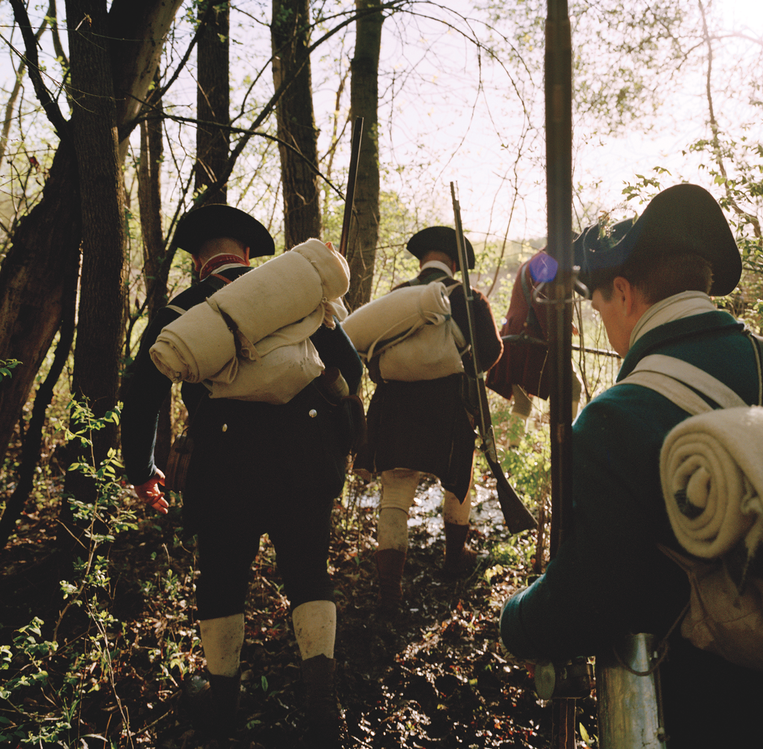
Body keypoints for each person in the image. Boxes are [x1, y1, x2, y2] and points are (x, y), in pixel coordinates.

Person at [498, 184, 763, 747]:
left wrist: (516, 620)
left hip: (733, 714)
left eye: (599, 304)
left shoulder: (611, 424)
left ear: (623, 292)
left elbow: (585, 605)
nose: (602, 319)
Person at [121, 204, 363, 747]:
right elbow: (351, 369)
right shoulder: (295, 301)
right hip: (304, 458)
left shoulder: (182, 313)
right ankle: (322, 702)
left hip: (224, 466)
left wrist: (143, 470)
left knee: (222, 581)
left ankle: (222, 703)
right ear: (250, 255)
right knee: (308, 573)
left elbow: (141, 398)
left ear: (198, 260)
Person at [355, 226, 503, 613]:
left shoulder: (396, 297)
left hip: (395, 409)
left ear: (422, 260)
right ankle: (453, 562)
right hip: (448, 408)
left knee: (396, 496)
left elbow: (369, 351)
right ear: (455, 264)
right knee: (458, 485)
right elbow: (491, 351)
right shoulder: (469, 297)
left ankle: (390, 593)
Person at [486, 227, 628, 446]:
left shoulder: (537, 260)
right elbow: (542, 302)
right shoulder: (545, 263)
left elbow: (540, 300)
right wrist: (558, 335)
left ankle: (514, 448)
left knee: (524, 400)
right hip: (529, 340)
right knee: (573, 386)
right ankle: (570, 440)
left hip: (521, 338)